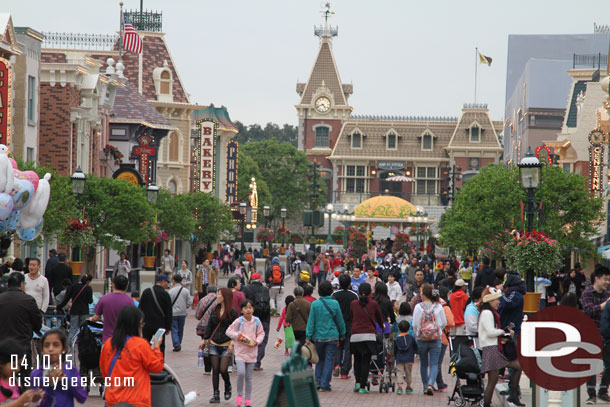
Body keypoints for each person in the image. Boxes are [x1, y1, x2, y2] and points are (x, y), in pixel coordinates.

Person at [100, 306, 165, 407]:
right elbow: (157, 367)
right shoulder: (141, 344)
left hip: (113, 400)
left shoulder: (108, 344)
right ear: (135, 325)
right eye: (141, 324)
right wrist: (156, 348)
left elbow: (105, 371)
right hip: (136, 400)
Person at [479, 288, 524, 407]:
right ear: (490, 301)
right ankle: (489, 403)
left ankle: (512, 395)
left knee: (493, 381)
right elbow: (490, 332)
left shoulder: (489, 313)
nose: (499, 302)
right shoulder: (488, 313)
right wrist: (503, 333)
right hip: (491, 350)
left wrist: (503, 333)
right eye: (497, 300)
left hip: (492, 349)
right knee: (492, 381)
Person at [0, 272, 42, 379]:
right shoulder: (28, 300)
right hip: (22, 346)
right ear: (22, 284)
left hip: (3, 346)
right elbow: (37, 322)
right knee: (23, 378)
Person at [30, 328, 88, 406]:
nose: (51, 349)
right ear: (42, 350)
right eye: (46, 345)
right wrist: (48, 384)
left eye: (56, 345)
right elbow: (36, 403)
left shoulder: (71, 370)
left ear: (64, 349)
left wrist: (64, 380)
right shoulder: (37, 374)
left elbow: (82, 397)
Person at [305, 281, 346, 392]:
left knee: (319, 359)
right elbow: (340, 321)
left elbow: (311, 321)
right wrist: (343, 333)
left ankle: (317, 381)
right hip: (332, 336)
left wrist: (308, 336)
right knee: (329, 360)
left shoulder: (315, 304)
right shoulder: (335, 304)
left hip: (318, 337)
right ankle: (325, 384)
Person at [226, 299, 265, 407]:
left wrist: (257, 341)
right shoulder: (239, 321)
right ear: (241, 310)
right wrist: (238, 336)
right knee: (241, 373)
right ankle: (239, 396)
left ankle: (248, 400)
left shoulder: (257, 321)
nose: (248, 310)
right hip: (240, 352)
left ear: (253, 309)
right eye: (245, 308)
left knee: (249, 377)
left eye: (250, 307)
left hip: (252, 352)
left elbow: (261, 333)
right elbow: (228, 331)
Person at [203, 288, 238, 403]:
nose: (217, 296)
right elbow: (210, 325)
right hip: (214, 344)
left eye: (219, 294)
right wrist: (205, 339)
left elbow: (235, 329)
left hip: (226, 344)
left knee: (223, 369)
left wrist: (232, 343)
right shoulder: (215, 309)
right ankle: (216, 394)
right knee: (215, 369)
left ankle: (227, 386)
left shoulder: (232, 312)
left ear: (225, 297)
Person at [582, 266, 610, 404]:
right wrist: (604, 305)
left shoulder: (608, 293)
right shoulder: (587, 293)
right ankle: (591, 394)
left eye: (608, 280)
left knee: (609, 364)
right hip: (591, 333)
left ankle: (603, 391)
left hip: (606, 334)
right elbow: (588, 311)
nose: (607, 282)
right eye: (605, 279)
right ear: (597, 279)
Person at [350, 283, 384, 394]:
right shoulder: (374, 304)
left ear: (358, 292)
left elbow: (351, 317)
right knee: (366, 361)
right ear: (370, 293)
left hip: (355, 335)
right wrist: (382, 327)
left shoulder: (353, 304)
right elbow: (380, 319)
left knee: (357, 359)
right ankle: (363, 387)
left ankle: (357, 383)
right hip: (369, 336)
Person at [412, 284, 446, 396]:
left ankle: (426, 386)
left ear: (425, 294)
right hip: (436, 338)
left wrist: (418, 335)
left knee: (423, 364)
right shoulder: (439, 307)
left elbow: (415, 324)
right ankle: (431, 384)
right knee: (434, 363)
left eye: (421, 292)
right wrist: (437, 330)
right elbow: (443, 323)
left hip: (421, 339)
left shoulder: (418, 307)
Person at [91, 275, 135, 343]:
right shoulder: (130, 301)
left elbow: (96, 318)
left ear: (113, 285)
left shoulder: (104, 299)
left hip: (108, 340)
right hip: (124, 340)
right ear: (126, 286)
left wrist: (90, 319)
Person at [0, 339, 44, 406]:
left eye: (19, 365)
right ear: (1, 362)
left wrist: (31, 401)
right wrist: (19, 402)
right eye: (14, 365)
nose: (17, 369)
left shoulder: (14, 381)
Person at [331, 274, 358, 379]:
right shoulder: (354, 295)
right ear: (349, 283)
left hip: (337, 324)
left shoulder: (335, 294)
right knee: (348, 348)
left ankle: (337, 364)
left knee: (338, 346)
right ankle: (345, 372)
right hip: (350, 324)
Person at [138, 274, 173, 356]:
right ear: (162, 282)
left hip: (147, 324)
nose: (167, 284)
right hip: (160, 326)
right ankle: (159, 363)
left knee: (145, 345)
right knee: (160, 345)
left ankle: (144, 361)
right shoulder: (165, 294)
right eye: (166, 282)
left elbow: (140, 308)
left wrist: (140, 323)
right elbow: (168, 312)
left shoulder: (146, 292)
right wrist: (168, 327)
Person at [243, 273, 271, 371]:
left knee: (250, 339)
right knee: (262, 341)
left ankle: (249, 361)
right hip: (264, 319)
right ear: (260, 279)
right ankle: (257, 362)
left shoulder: (246, 289)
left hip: (251, 318)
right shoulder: (265, 289)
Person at [58, 273, 93, 344]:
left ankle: (69, 345)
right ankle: (81, 344)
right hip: (84, 311)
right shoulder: (88, 288)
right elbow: (90, 301)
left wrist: (60, 306)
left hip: (74, 310)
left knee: (73, 329)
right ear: (88, 281)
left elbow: (67, 298)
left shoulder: (73, 286)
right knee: (83, 329)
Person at [436, 287, 454, 392]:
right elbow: (451, 322)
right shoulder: (445, 307)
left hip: (429, 336)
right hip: (442, 337)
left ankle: (429, 384)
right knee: (438, 363)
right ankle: (439, 383)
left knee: (431, 363)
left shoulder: (431, 305)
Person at [196, 285, 218, 375]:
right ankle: (216, 366)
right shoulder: (219, 300)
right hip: (216, 327)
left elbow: (198, 315)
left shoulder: (203, 300)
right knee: (215, 346)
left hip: (204, 327)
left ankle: (207, 369)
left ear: (207, 291)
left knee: (205, 346)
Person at [169, 274, 192, 352]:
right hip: (182, 313)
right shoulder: (185, 290)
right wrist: (185, 307)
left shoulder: (171, 291)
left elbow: (168, 303)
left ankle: (176, 344)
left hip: (173, 313)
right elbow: (190, 301)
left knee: (174, 328)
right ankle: (179, 343)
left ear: (174, 281)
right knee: (180, 329)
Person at [498, 272, 526, 338]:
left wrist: (500, 293)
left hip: (512, 329)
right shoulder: (513, 294)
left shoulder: (516, 294)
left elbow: (507, 304)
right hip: (508, 328)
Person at [394, 320, 417, 395]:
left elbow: (395, 349)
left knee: (399, 372)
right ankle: (408, 386)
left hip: (400, 358)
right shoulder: (411, 338)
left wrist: (395, 356)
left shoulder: (397, 339)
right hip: (409, 358)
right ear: (409, 328)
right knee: (408, 373)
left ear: (399, 329)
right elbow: (415, 347)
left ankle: (399, 387)